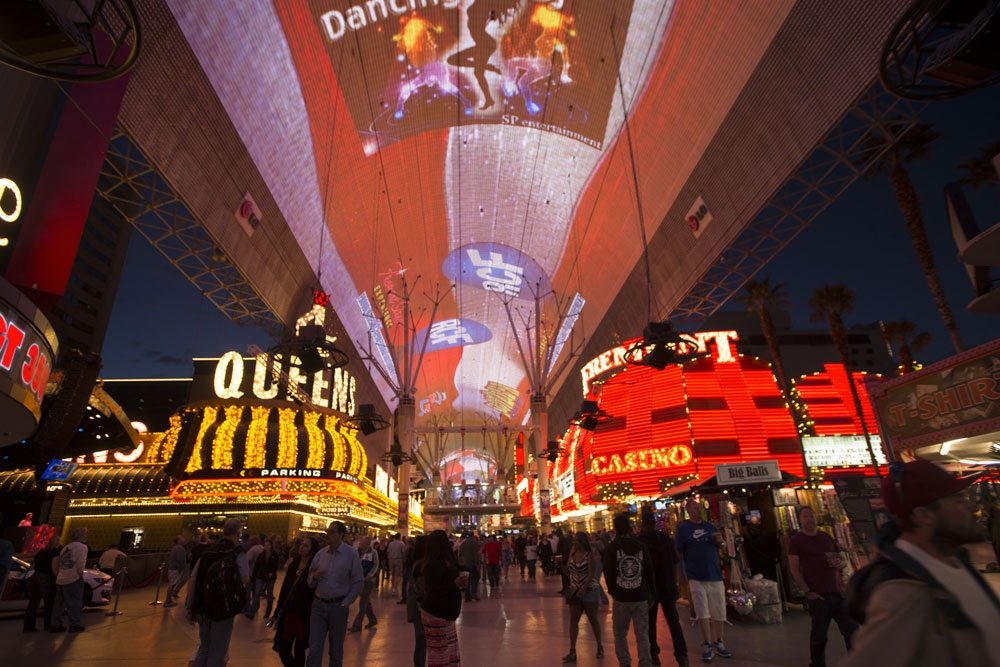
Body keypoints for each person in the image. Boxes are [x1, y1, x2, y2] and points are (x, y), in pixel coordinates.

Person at [841, 460, 1000, 666]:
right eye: (958, 500)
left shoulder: (956, 562)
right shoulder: (902, 594)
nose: (973, 507)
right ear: (924, 516)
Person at [788, 506, 857, 667]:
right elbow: (794, 567)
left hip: (837, 592)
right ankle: (817, 664)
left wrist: (841, 562)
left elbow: (841, 556)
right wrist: (808, 591)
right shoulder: (796, 540)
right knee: (819, 635)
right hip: (818, 595)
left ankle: (856, 660)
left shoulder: (826, 537)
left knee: (851, 631)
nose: (809, 519)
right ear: (800, 520)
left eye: (811, 516)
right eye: (805, 517)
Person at [185, 518, 250, 667]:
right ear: (238, 533)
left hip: (203, 606)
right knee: (218, 652)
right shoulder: (237, 552)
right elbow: (245, 578)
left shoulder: (208, 551)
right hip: (223, 608)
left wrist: (191, 606)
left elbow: (193, 579)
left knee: (204, 647)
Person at [674, 499, 732, 662]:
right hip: (695, 576)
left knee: (719, 610)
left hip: (714, 574)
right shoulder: (683, 530)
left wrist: (720, 542)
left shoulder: (710, 527)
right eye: (695, 508)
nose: (698, 510)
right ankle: (707, 643)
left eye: (699, 508)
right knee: (702, 611)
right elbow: (678, 553)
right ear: (688, 510)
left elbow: (722, 547)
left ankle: (719, 641)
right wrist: (681, 575)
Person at [306, 521, 364, 667]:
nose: (328, 535)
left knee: (336, 651)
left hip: (338, 607)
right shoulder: (321, 554)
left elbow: (358, 580)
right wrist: (313, 577)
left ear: (341, 535)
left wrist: (346, 602)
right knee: (314, 648)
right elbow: (309, 577)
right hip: (318, 606)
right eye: (328, 531)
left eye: (332, 532)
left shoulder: (350, 554)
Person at [637, 507, 689, 667]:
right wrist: (674, 581)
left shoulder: (640, 541)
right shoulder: (666, 539)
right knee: (673, 622)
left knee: (650, 623)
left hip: (649, 589)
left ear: (642, 524)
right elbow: (675, 561)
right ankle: (682, 656)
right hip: (667, 585)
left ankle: (654, 654)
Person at [604, 513, 655, 667]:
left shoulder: (612, 547)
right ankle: (645, 662)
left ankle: (625, 662)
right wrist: (650, 593)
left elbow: (608, 571)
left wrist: (614, 590)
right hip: (640, 596)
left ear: (615, 528)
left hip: (621, 598)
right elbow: (649, 570)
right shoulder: (640, 545)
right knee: (642, 634)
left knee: (620, 633)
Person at [421, 529, 466, 666]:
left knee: (448, 652)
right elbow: (432, 591)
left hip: (444, 614)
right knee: (440, 654)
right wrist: (454, 584)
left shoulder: (444, 562)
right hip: (436, 614)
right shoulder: (433, 565)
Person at [273, 537, 319, 667]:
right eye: (301, 545)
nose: (301, 547)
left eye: (306, 545)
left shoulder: (313, 568)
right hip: (288, 611)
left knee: (299, 649)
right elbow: (285, 589)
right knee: (283, 648)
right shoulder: (294, 565)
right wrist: (278, 610)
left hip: (303, 613)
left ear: (311, 550)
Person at [562, 531, 604, 663]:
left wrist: (584, 588)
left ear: (582, 542)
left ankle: (599, 646)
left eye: (577, 541)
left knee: (593, 618)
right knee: (573, 620)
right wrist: (561, 566)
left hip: (589, 590)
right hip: (575, 591)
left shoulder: (590, 555)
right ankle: (572, 650)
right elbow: (569, 570)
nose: (574, 543)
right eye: (574, 541)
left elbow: (592, 574)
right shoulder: (573, 554)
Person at [49, 526, 88, 633]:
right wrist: (80, 575)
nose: (86, 536)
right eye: (85, 534)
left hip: (61, 578)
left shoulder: (66, 547)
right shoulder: (82, 547)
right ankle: (74, 624)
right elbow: (81, 562)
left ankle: (55, 624)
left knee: (58, 604)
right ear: (80, 536)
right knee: (75, 602)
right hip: (73, 578)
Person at [24, 535, 61, 632]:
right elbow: (54, 566)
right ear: (57, 542)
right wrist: (58, 578)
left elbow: (33, 565)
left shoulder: (41, 552)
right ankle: (48, 625)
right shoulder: (55, 552)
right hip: (47, 578)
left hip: (35, 577)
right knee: (49, 603)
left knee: (33, 603)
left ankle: (28, 626)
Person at [406, 535, 429, 667]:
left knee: (420, 641)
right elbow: (421, 589)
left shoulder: (416, 563)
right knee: (421, 641)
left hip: (416, 607)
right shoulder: (421, 565)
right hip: (420, 608)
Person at [349, 535, 379, 631]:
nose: (360, 544)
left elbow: (376, 565)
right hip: (359, 579)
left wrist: (369, 576)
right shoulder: (358, 553)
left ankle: (357, 625)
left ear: (367, 544)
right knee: (366, 601)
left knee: (363, 602)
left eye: (361, 543)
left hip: (368, 581)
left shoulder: (373, 553)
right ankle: (372, 619)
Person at [250, 539, 281, 620]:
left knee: (270, 595)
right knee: (257, 594)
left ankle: (267, 612)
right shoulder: (261, 555)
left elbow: (275, 565)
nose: (267, 546)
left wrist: (271, 572)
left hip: (270, 577)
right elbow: (257, 567)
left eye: (268, 545)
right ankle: (252, 612)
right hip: (261, 576)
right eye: (265, 545)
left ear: (271, 546)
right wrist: (254, 578)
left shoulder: (274, 555)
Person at [165, 535, 189, 607]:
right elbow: (180, 560)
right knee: (172, 585)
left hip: (173, 568)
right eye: (182, 538)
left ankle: (169, 600)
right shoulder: (179, 548)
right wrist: (180, 569)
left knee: (173, 584)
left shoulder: (176, 547)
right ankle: (168, 600)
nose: (183, 539)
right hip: (175, 569)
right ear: (178, 540)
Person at [458, 532, 481, 601]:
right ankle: (473, 593)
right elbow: (475, 554)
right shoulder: (473, 543)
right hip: (472, 564)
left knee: (467, 580)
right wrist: (477, 563)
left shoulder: (463, 544)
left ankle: (467, 596)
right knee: (476, 577)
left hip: (465, 564)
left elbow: (460, 554)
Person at [387, 533, 406, 597]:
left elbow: (388, 552)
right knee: (397, 575)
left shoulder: (391, 543)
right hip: (398, 559)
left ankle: (393, 588)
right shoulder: (401, 543)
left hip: (391, 559)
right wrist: (403, 560)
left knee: (393, 575)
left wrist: (389, 559)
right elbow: (403, 553)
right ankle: (394, 589)